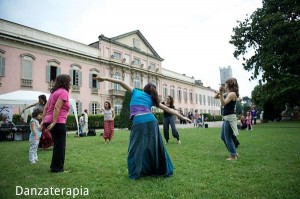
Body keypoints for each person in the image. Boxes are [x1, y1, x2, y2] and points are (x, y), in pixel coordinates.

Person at [94, 76, 191, 179]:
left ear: (144, 89)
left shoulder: (135, 91)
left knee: (135, 149)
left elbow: (120, 81)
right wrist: (182, 117)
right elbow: (168, 109)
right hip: (152, 121)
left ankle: (136, 173)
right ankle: (156, 170)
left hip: (139, 122)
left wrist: (104, 78)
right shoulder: (152, 99)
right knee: (154, 147)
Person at [42, 74, 71, 173]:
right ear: (66, 82)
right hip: (57, 122)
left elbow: (46, 108)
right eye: (69, 81)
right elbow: (57, 107)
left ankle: (54, 167)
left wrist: (42, 122)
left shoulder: (53, 93)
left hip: (48, 121)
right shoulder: (64, 92)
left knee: (57, 146)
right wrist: (54, 122)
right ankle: (58, 169)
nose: (70, 83)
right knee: (60, 146)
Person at [215, 78, 239, 161]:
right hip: (227, 118)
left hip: (230, 118)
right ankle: (233, 152)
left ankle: (233, 155)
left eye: (225, 84)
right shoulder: (227, 93)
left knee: (227, 137)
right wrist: (219, 92)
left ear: (229, 84)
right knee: (223, 136)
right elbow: (215, 97)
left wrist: (221, 93)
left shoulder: (232, 94)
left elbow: (223, 103)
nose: (224, 85)